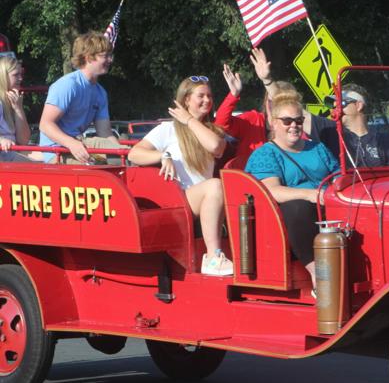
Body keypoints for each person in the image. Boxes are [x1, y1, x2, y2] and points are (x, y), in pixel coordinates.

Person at [128, 76, 233, 276]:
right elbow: (135, 154)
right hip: (178, 199)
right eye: (200, 96)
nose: (207, 101)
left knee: (219, 187)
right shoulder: (168, 129)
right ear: (186, 100)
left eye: (210, 96)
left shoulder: (212, 131)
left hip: (203, 199)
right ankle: (212, 258)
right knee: (215, 186)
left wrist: (190, 120)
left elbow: (215, 147)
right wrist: (163, 155)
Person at [255, 49, 389, 166]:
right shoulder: (329, 130)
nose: (335, 107)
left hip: (375, 202)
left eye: (341, 102)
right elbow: (289, 106)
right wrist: (268, 81)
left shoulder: (383, 140)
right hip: (340, 208)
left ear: (359, 105)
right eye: (333, 103)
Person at [245, 93, 340, 292]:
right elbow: (272, 191)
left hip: (328, 210)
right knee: (298, 207)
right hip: (288, 223)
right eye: (287, 120)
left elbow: (339, 176)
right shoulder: (265, 153)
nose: (293, 125)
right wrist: (310, 194)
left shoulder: (318, 148)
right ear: (274, 123)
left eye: (298, 120)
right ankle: (318, 274)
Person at [39, 32, 125, 164]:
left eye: (110, 55)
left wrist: (122, 154)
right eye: (105, 56)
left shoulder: (100, 93)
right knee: (99, 170)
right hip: (56, 151)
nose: (110, 60)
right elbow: (45, 124)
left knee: (128, 156)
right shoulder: (68, 85)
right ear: (88, 57)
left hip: (80, 143)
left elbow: (105, 133)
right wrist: (71, 143)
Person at [214, 48, 302, 162]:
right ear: (266, 103)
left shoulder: (296, 128)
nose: (277, 109)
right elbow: (220, 124)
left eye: (284, 105)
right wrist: (233, 94)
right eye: (273, 102)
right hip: (251, 177)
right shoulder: (253, 120)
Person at [0, 55, 31, 162]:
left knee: (48, 159)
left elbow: (24, 141)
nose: (20, 78)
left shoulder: (14, 100)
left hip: (12, 154)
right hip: (5, 158)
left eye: (21, 74)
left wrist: (18, 109)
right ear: (3, 76)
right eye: (16, 75)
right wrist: (1, 140)